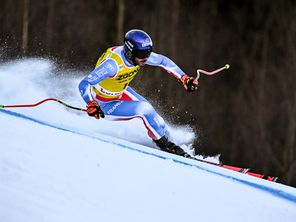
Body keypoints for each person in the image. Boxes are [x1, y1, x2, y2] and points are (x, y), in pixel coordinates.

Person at [78, 29, 198, 157]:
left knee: (156, 118)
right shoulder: (112, 65)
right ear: (130, 52)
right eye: (142, 54)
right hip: (103, 104)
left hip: (120, 92)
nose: (146, 58)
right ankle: (166, 146)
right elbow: (84, 84)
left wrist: (184, 78)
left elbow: (163, 61)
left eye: (148, 52)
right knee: (144, 109)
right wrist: (91, 104)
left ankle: (173, 144)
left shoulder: (138, 56)